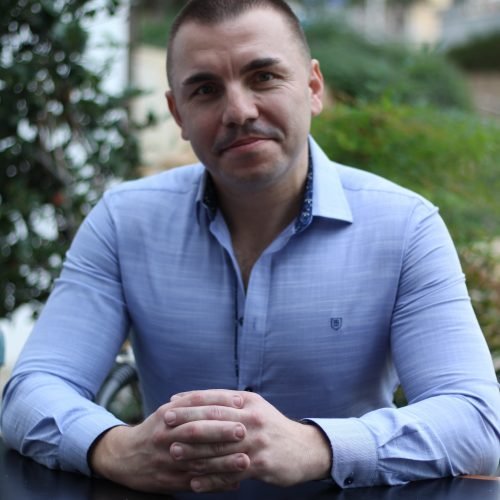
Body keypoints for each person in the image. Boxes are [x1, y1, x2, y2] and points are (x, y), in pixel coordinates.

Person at [1, 0, 499, 494]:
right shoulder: (123, 222)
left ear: (313, 87)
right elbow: (31, 391)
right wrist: (112, 447)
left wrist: (317, 446)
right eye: (205, 89)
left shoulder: (404, 227)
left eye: (263, 77)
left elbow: (477, 421)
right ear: (177, 112)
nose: (238, 111)